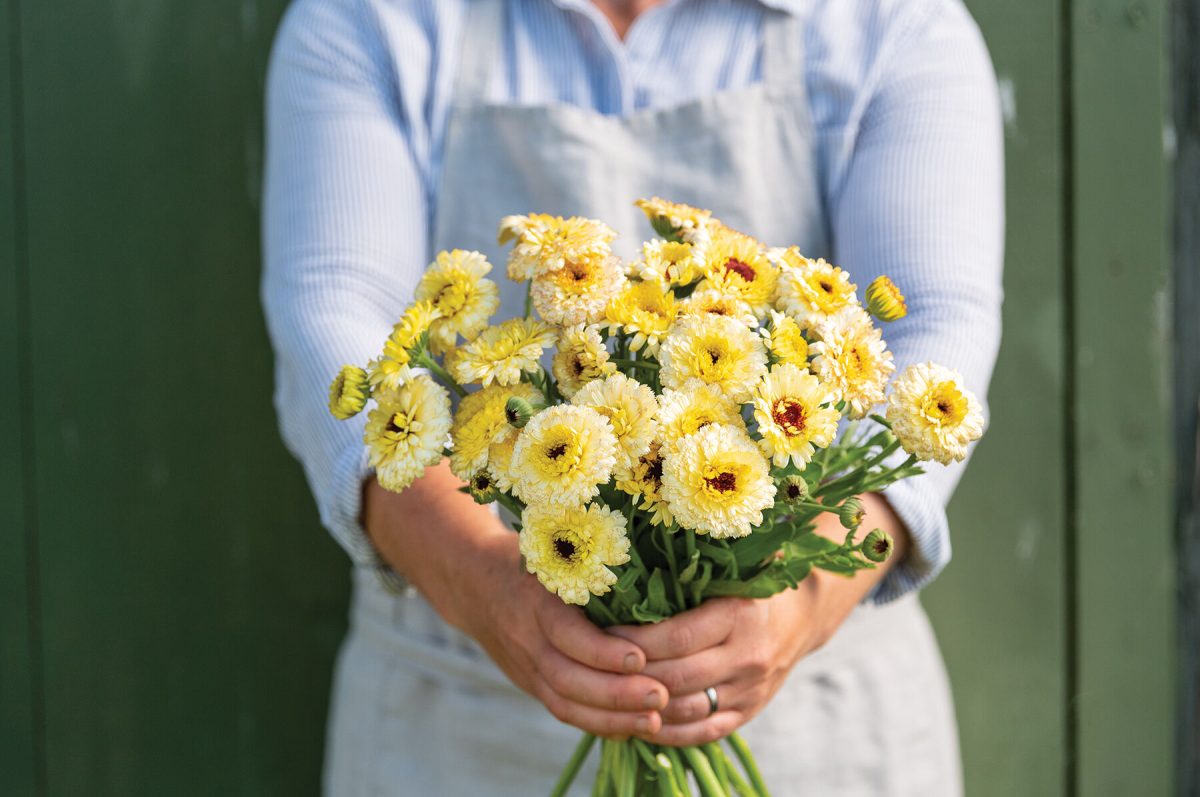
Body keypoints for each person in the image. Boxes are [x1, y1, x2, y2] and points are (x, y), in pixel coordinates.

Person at [261, 0, 1003, 793]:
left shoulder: (890, 21)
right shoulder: (374, 18)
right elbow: (333, 311)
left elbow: (935, 331)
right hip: (464, 707)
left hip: (814, 719)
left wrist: (800, 602)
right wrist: (482, 579)